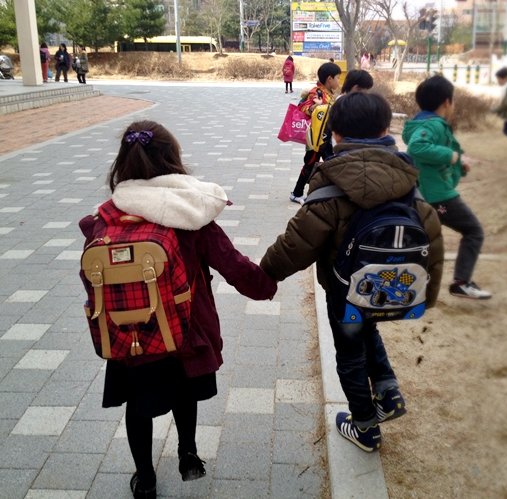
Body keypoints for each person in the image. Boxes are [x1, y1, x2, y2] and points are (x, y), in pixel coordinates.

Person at [79, 120, 277, 499]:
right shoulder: (191, 215)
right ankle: (188, 456)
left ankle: (145, 479)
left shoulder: (106, 216)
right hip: (184, 329)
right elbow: (233, 266)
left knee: (139, 407)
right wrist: (267, 285)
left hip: (132, 331)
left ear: (124, 162)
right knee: (184, 393)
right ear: (174, 158)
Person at [261, 92, 443, 452]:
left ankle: (363, 425)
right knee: (368, 328)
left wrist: (264, 274)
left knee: (350, 352)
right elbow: (432, 235)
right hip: (392, 287)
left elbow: (299, 241)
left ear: (337, 134)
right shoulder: (406, 176)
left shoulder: (331, 182)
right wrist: (430, 293)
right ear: (386, 129)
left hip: (345, 289)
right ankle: (388, 392)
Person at [402, 75, 492, 300]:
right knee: (474, 231)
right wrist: (452, 155)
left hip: (425, 192)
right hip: (439, 196)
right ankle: (461, 282)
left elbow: (428, 157)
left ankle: (409, 285)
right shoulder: (434, 124)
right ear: (447, 102)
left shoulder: (421, 124)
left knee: (421, 240)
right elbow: (418, 148)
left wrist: (459, 164)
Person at [290, 62, 341, 204]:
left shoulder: (330, 93)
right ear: (329, 79)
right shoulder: (317, 92)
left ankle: (331, 191)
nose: (339, 81)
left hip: (325, 136)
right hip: (315, 138)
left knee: (330, 162)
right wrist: (315, 106)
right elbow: (304, 108)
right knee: (310, 164)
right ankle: (297, 193)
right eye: (338, 78)